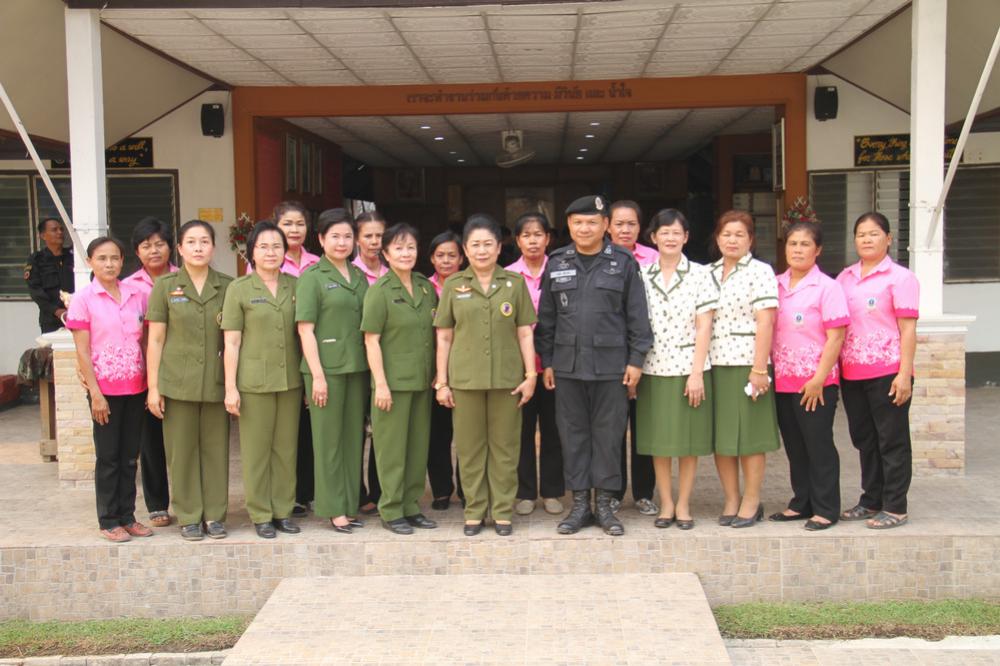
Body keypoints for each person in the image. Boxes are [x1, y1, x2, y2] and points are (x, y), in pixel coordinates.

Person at [535, 195, 653, 537]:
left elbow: (637, 316)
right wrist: (548, 362)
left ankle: (604, 505)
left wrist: (636, 360)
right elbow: (547, 319)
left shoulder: (623, 262)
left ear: (605, 226)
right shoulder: (557, 262)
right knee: (572, 436)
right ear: (569, 226)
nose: (584, 228)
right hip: (567, 367)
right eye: (578, 222)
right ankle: (580, 505)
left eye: (591, 222)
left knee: (609, 436)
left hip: (611, 367)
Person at [434, 214, 538, 537]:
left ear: (499, 247)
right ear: (465, 249)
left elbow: (524, 332)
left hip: (507, 380)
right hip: (465, 381)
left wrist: (531, 374)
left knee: (505, 448)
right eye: (475, 245)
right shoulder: (453, 285)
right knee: (470, 449)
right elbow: (444, 336)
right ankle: (475, 510)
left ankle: (503, 510)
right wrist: (441, 382)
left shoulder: (514, 283)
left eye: (488, 244)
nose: (482, 251)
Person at [145, 220, 233, 540]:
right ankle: (189, 515)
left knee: (215, 451)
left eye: (204, 241)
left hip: (215, 382)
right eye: (191, 242)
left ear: (213, 247)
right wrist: (154, 387)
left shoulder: (228, 286)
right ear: (180, 249)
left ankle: (215, 514)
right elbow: (155, 340)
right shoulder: (166, 286)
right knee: (181, 452)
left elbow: (234, 339)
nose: (198, 248)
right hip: (177, 383)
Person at [65, 236, 151, 542]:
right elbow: (82, 351)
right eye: (102, 258)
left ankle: (127, 516)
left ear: (122, 261)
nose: (109, 264)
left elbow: (145, 340)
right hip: (105, 391)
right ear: (90, 262)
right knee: (109, 457)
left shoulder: (136, 295)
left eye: (115, 258)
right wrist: (95, 394)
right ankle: (108, 519)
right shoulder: (84, 299)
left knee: (129, 456)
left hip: (136, 387)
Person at [636, 209, 717, 530]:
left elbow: (704, 326)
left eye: (676, 232)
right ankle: (666, 502)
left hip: (688, 368)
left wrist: (696, 373)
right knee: (659, 441)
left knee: (687, 441)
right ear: (653, 237)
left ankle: (683, 503)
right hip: (652, 367)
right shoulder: (641, 274)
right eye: (664, 232)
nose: (670, 238)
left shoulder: (701, 274)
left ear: (686, 237)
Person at [837, 212, 919, 530]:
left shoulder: (901, 278)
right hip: (852, 372)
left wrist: (904, 373)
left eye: (873, 234)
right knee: (865, 439)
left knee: (891, 440)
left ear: (888, 238)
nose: (867, 239)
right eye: (861, 234)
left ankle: (895, 506)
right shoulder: (845, 278)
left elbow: (908, 329)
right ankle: (871, 499)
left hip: (888, 372)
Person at [222, 221, 303, 539]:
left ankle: (283, 510)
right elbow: (231, 342)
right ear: (251, 252)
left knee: (286, 450)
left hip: (290, 379)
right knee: (256, 451)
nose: (271, 252)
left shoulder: (295, 285)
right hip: (254, 382)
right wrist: (231, 387)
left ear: (285, 251)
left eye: (277, 246)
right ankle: (260, 513)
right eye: (264, 246)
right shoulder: (239, 289)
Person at [770, 221, 849, 531]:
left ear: (818, 250)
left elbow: (836, 337)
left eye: (805, 244)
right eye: (793, 244)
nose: (798, 249)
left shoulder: (828, 287)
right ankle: (802, 501)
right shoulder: (775, 284)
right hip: (783, 380)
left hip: (816, 383)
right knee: (794, 445)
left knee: (818, 444)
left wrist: (818, 379)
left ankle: (826, 508)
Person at [363, 223, 439, 535]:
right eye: (398, 248)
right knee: (391, 450)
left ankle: (411, 505)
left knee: (417, 448)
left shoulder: (424, 287)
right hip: (391, 385)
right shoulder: (379, 291)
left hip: (421, 382)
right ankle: (391, 508)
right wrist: (380, 384)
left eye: (410, 247)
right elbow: (371, 341)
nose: (405, 253)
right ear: (385, 253)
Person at [296, 209, 369, 534]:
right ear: (321, 239)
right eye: (335, 236)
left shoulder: (359, 276)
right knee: (328, 442)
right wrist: (317, 376)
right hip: (325, 369)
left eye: (347, 236)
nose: (342, 242)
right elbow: (305, 329)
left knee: (353, 439)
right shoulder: (312, 277)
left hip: (356, 366)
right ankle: (332, 507)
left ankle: (350, 504)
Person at [708, 210, 780, 529]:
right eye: (726, 234)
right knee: (722, 437)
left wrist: (759, 368)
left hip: (748, 364)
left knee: (750, 436)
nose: (732, 240)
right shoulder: (707, 273)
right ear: (717, 238)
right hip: (714, 364)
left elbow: (766, 321)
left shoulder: (760, 272)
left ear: (751, 240)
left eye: (739, 235)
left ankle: (751, 500)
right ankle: (731, 498)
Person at [248, 202, 320, 518]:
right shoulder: (254, 274)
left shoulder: (315, 266)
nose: (294, 230)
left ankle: (298, 496)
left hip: (302, 363)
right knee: (267, 442)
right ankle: (267, 507)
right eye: (287, 224)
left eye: (300, 223)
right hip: (266, 368)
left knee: (297, 439)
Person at [506, 212, 565, 517]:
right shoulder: (507, 276)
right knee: (522, 431)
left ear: (548, 239)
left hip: (556, 364)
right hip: (519, 367)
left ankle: (553, 491)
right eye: (526, 235)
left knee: (554, 429)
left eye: (538, 234)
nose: (532, 241)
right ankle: (525, 492)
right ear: (517, 240)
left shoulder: (561, 270)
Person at [123, 217, 177, 530]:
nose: (154, 250)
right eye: (146, 245)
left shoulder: (184, 278)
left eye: (160, 244)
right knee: (151, 442)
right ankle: (157, 504)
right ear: (137, 251)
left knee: (183, 441)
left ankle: (190, 501)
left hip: (182, 370)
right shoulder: (128, 287)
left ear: (171, 247)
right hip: (144, 373)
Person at [607, 200, 658, 516]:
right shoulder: (600, 257)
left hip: (648, 357)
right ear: (607, 226)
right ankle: (613, 492)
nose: (625, 230)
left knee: (645, 428)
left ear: (641, 228)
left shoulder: (654, 260)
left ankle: (643, 492)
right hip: (610, 357)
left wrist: (638, 358)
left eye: (631, 224)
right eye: (619, 224)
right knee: (611, 429)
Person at [426, 231, 464, 510]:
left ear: (462, 257)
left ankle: (467, 489)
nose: (446, 260)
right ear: (431, 258)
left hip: (464, 370)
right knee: (438, 436)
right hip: (432, 374)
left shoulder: (471, 285)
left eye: (452, 255)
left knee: (467, 435)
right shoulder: (423, 288)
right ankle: (441, 490)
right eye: (440, 255)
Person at [353, 210, 388, 514]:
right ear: (357, 239)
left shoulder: (393, 273)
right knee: (354, 430)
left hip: (385, 363)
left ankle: (380, 491)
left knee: (383, 430)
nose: (375, 241)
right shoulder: (350, 273)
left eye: (379, 236)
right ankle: (356, 492)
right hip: (354, 362)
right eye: (368, 236)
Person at [25, 217, 74, 333]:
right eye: (54, 230)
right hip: (51, 319)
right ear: (43, 236)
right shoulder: (37, 259)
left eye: (61, 229)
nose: (60, 232)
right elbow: (35, 290)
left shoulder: (73, 256)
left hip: (76, 315)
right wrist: (56, 311)